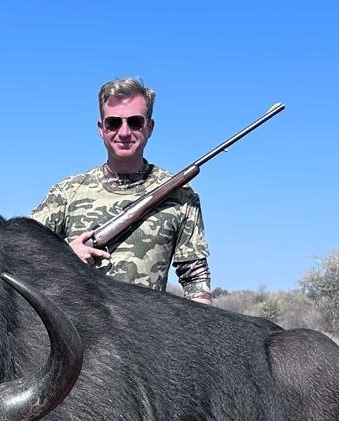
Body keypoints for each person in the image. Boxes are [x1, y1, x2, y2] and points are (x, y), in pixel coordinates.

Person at [30, 77, 212, 304]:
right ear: (101, 129)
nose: (124, 132)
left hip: (147, 334)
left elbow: (196, 285)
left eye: (135, 122)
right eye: (113, 123)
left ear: (150, 127)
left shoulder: (182, 195)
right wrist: (65, 256)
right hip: (76, 335)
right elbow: (18, 253)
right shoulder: (67, 192)